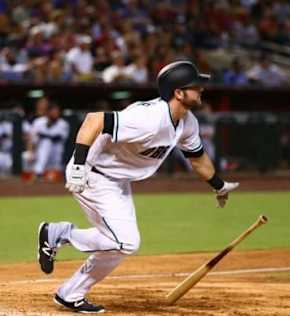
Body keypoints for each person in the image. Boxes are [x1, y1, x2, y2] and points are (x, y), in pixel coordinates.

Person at [37, 61, 239, 313]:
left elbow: (198, 159)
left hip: (118, 180)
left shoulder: (188, 123)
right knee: (126, 242)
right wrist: (79, 165)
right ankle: (61, 235)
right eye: (196, 86)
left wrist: (219, 185)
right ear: (178, 92)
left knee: (121, 244)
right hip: (93, 175)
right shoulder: (148, 118)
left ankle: (69, 291)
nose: (202, 90)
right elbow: (93, 121)